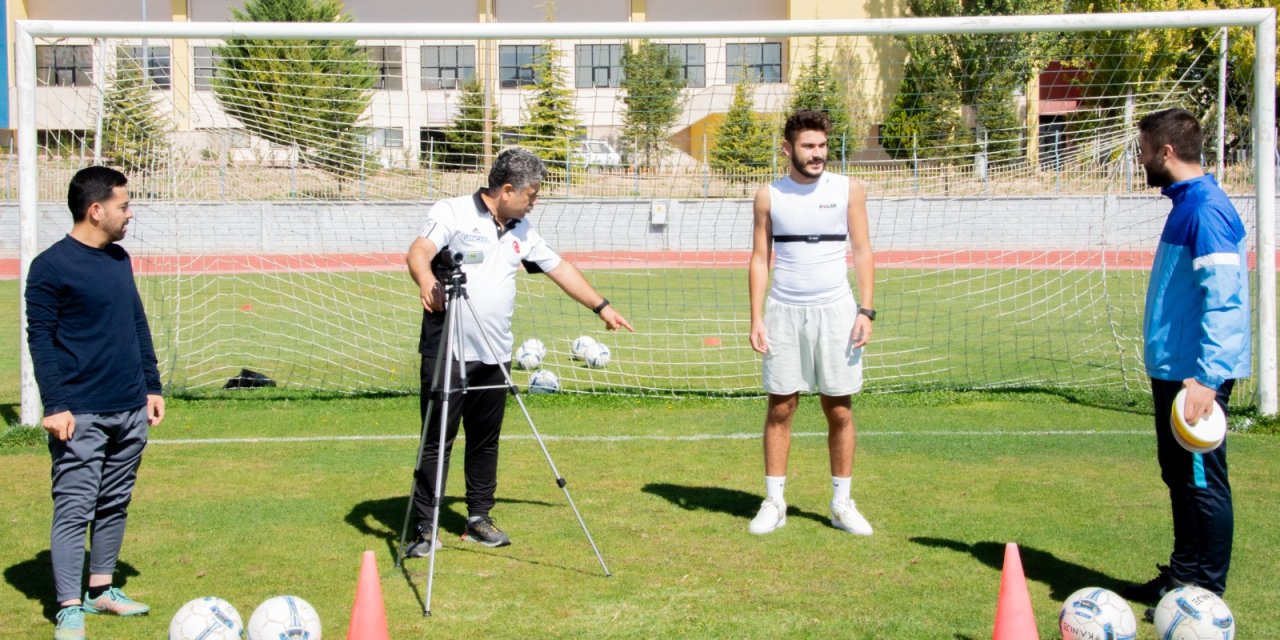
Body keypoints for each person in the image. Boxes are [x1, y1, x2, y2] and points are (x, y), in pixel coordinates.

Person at [404, 147, 632, 554]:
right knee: (437, 440)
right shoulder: (453, 212)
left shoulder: (521, 230)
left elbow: (558, 268)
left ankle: (478, 518)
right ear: (507, 190)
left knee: (485, 441)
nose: (535, 202)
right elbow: (419, 249)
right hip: (448, 351)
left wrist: (602, 307)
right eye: (532, 194)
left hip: (496, 356)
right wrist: (425, 279)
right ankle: (425, 526)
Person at [25, 166, 165, 640]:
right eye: (124, 206)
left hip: (129, 405)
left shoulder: (119, 259)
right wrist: (55, 404)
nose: (131, 214)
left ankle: (101, 589)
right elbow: (40, 340)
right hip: (79, 412)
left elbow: (135, 321)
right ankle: (68, 606)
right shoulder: (50, 267)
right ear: (96, 210)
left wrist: (152, 385)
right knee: (74, 507)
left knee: (114, 503)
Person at [1121, 108, 1250, 607]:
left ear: (1167, 152)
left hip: (1194, 375)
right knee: (1180, 476)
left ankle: (1205, 593)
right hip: (1176, 370)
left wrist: (1207, 377)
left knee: (1201, 481)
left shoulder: (1205, 209)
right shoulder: (1186, 203)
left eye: (1144, 150)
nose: (1141, 158)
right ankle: (1182, 576)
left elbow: (1226, 298)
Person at [746, 109, 876, 536]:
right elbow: (759, 258)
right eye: (808, 146)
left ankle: (841, 504)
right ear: (788, 149)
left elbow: (862, 251)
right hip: (784, 312)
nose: (817, 154)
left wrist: (866, 309)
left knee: (838, 408)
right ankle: (774, 502)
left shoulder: (848, 190)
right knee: (781, 406)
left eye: (822, 146)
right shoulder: (768, 196)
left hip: (838, 312)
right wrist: (756, 317)